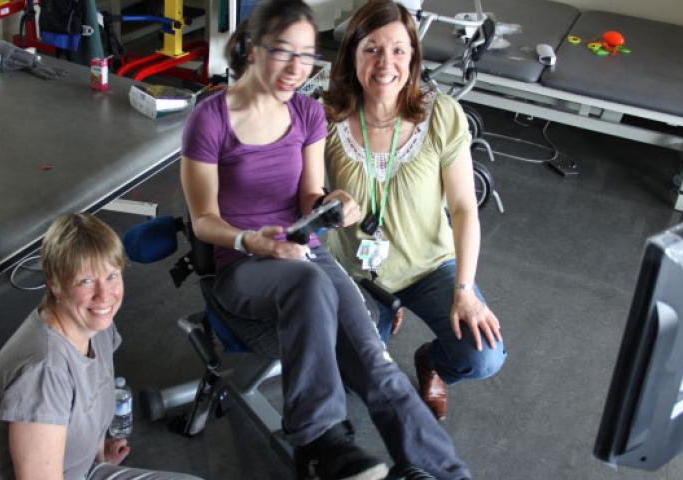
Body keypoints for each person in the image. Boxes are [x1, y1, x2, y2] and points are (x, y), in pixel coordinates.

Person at [180, 0, 471, 478]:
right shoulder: (210, 119)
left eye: (306, 55)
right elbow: (204, 221)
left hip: (303, 255)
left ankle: (445, 472)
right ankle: (318, 443)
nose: (297, 68)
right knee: (310, 284)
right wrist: (254, 242)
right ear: (251, 50)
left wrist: (331, 203)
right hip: (243, 265)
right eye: (282, 52)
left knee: (377, 368)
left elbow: (309, 198)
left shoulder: (307, 114)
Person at [323, 0, 507, 422]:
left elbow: (463, 208)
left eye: (398, 50)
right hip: (358, 273)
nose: (385, 63)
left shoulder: (441, 115)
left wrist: (465, 291)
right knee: (355, 376)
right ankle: (387, 312)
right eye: (371, 49)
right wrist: (328, 203)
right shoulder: (328, 117)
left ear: (412, 57)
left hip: (430, 265)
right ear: (352, 53)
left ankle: (432, 362)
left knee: (483, 356)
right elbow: (311, 197)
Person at [0, 213, 201, 480]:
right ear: (54, 284)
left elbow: (89, 398)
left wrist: (95, 458)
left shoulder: (96, 328)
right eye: (85, 281)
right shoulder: (45, 372)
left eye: (111, 276)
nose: (104, 295)